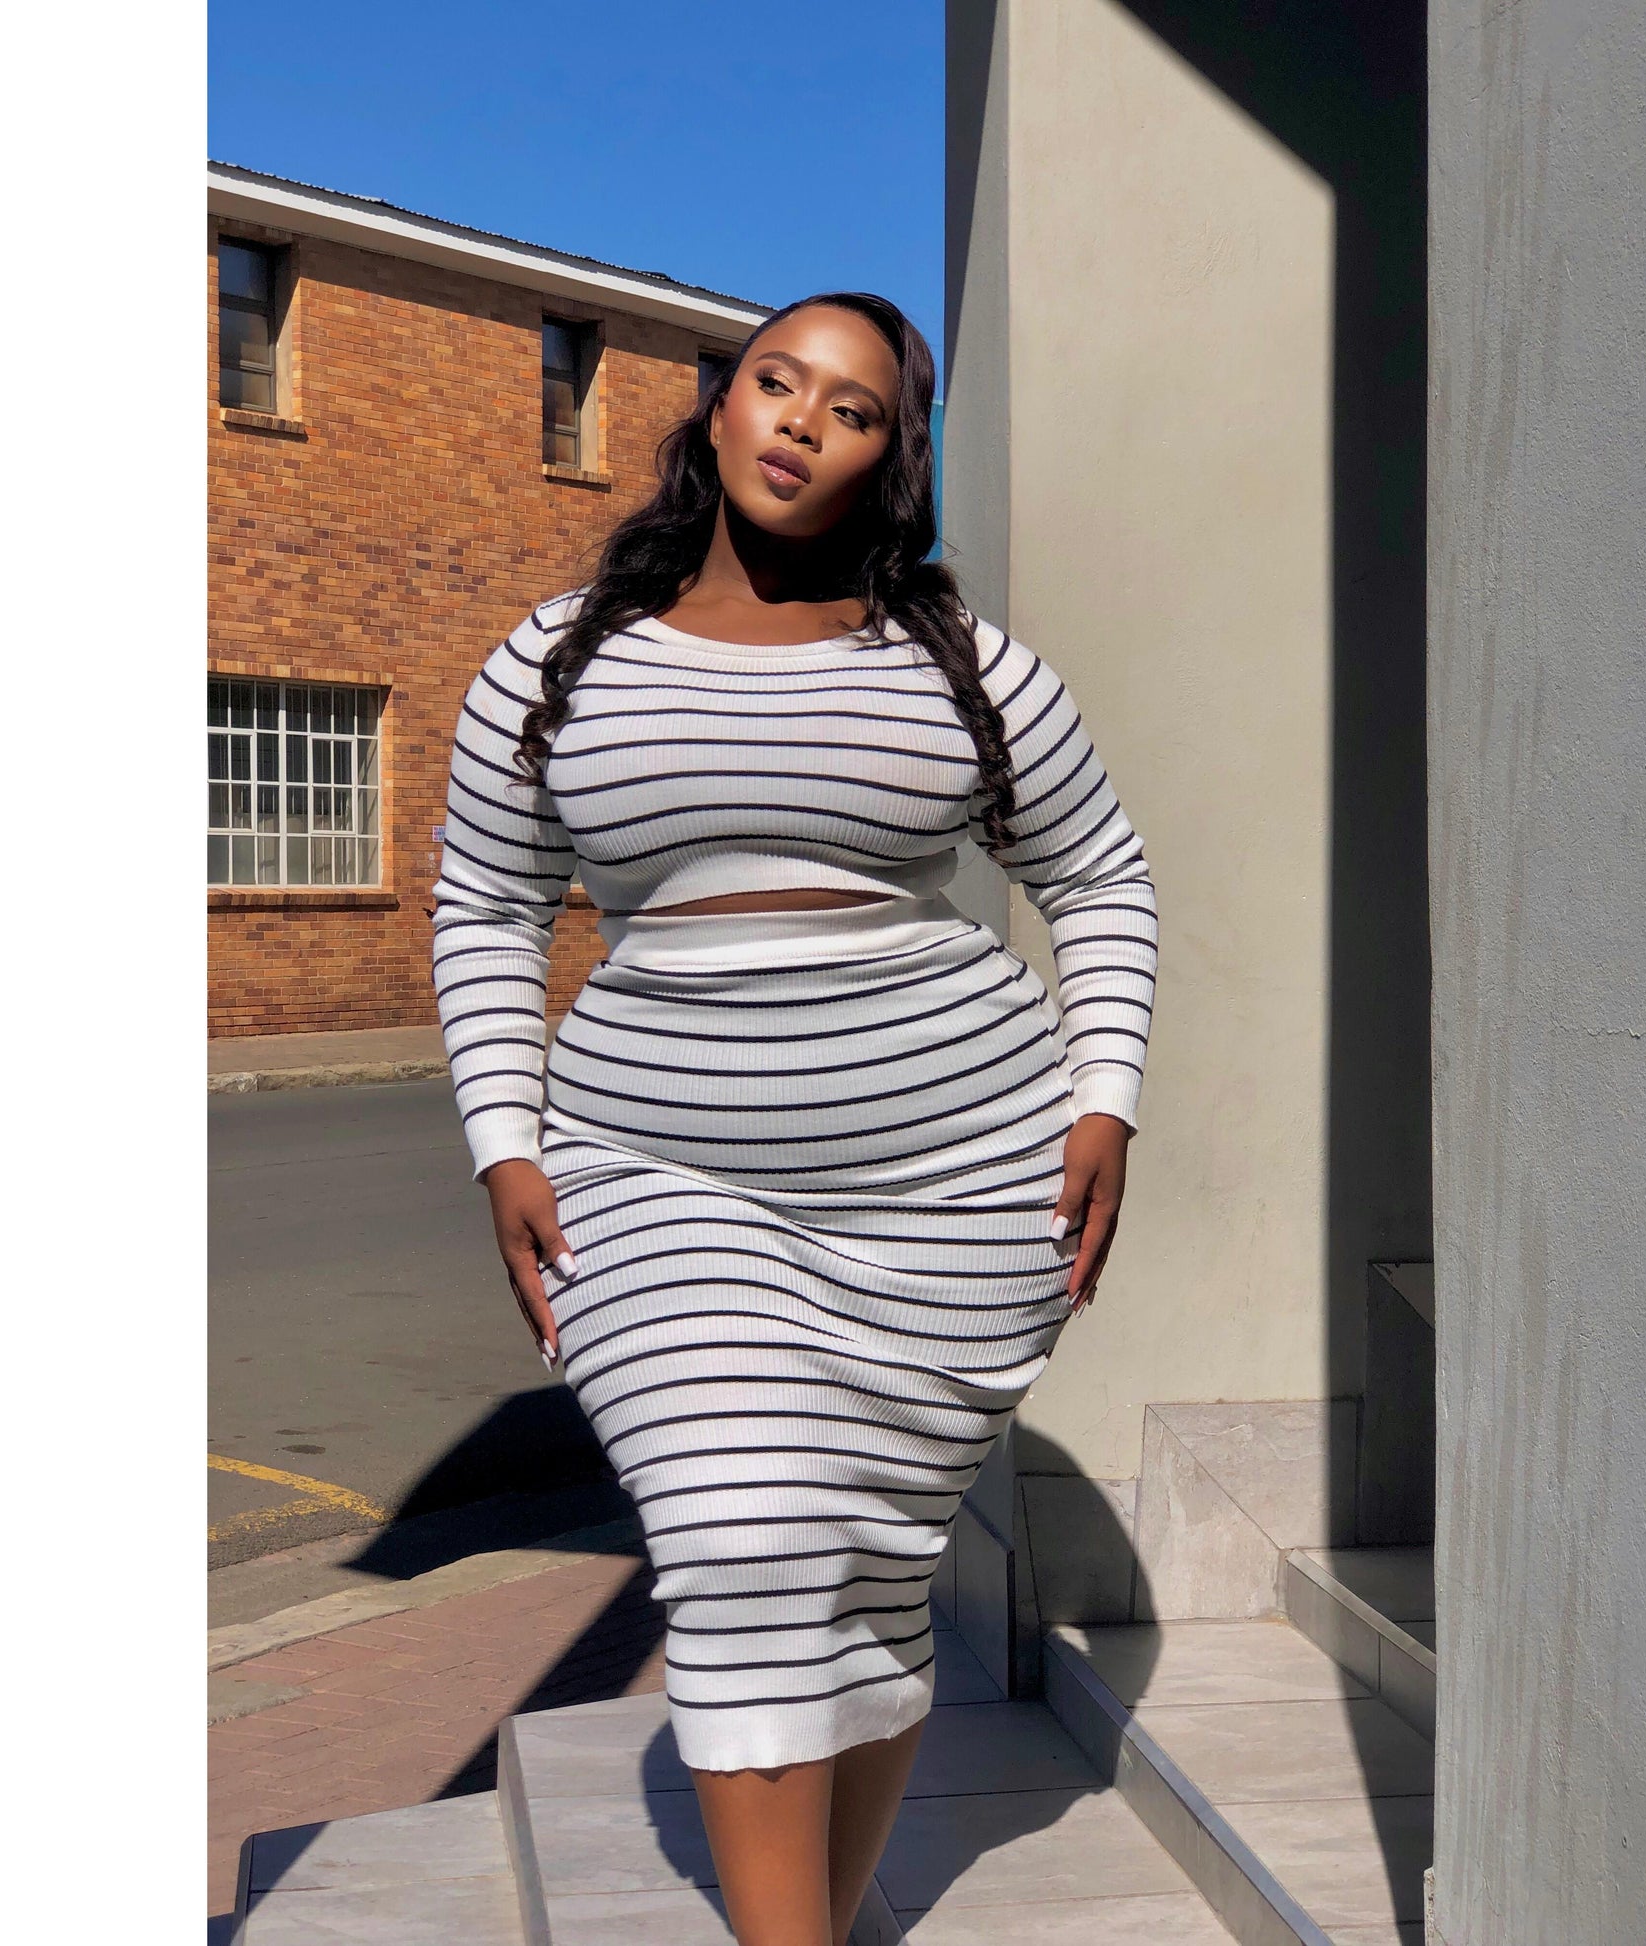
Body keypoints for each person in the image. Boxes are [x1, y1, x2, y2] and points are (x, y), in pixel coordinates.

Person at [430, 290, 1158, 1946]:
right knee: (742, 1539)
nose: (801, 418)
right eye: (775, 379)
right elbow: (483, 904)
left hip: (960, 1180)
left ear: (890, 460)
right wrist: (503, 1137)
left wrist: (1103, 1097)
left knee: (871, 1574)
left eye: (852, 407)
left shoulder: (964, 669)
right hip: (652, 1170)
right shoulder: (559, 659)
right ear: (717, 406)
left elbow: (1102, 879)